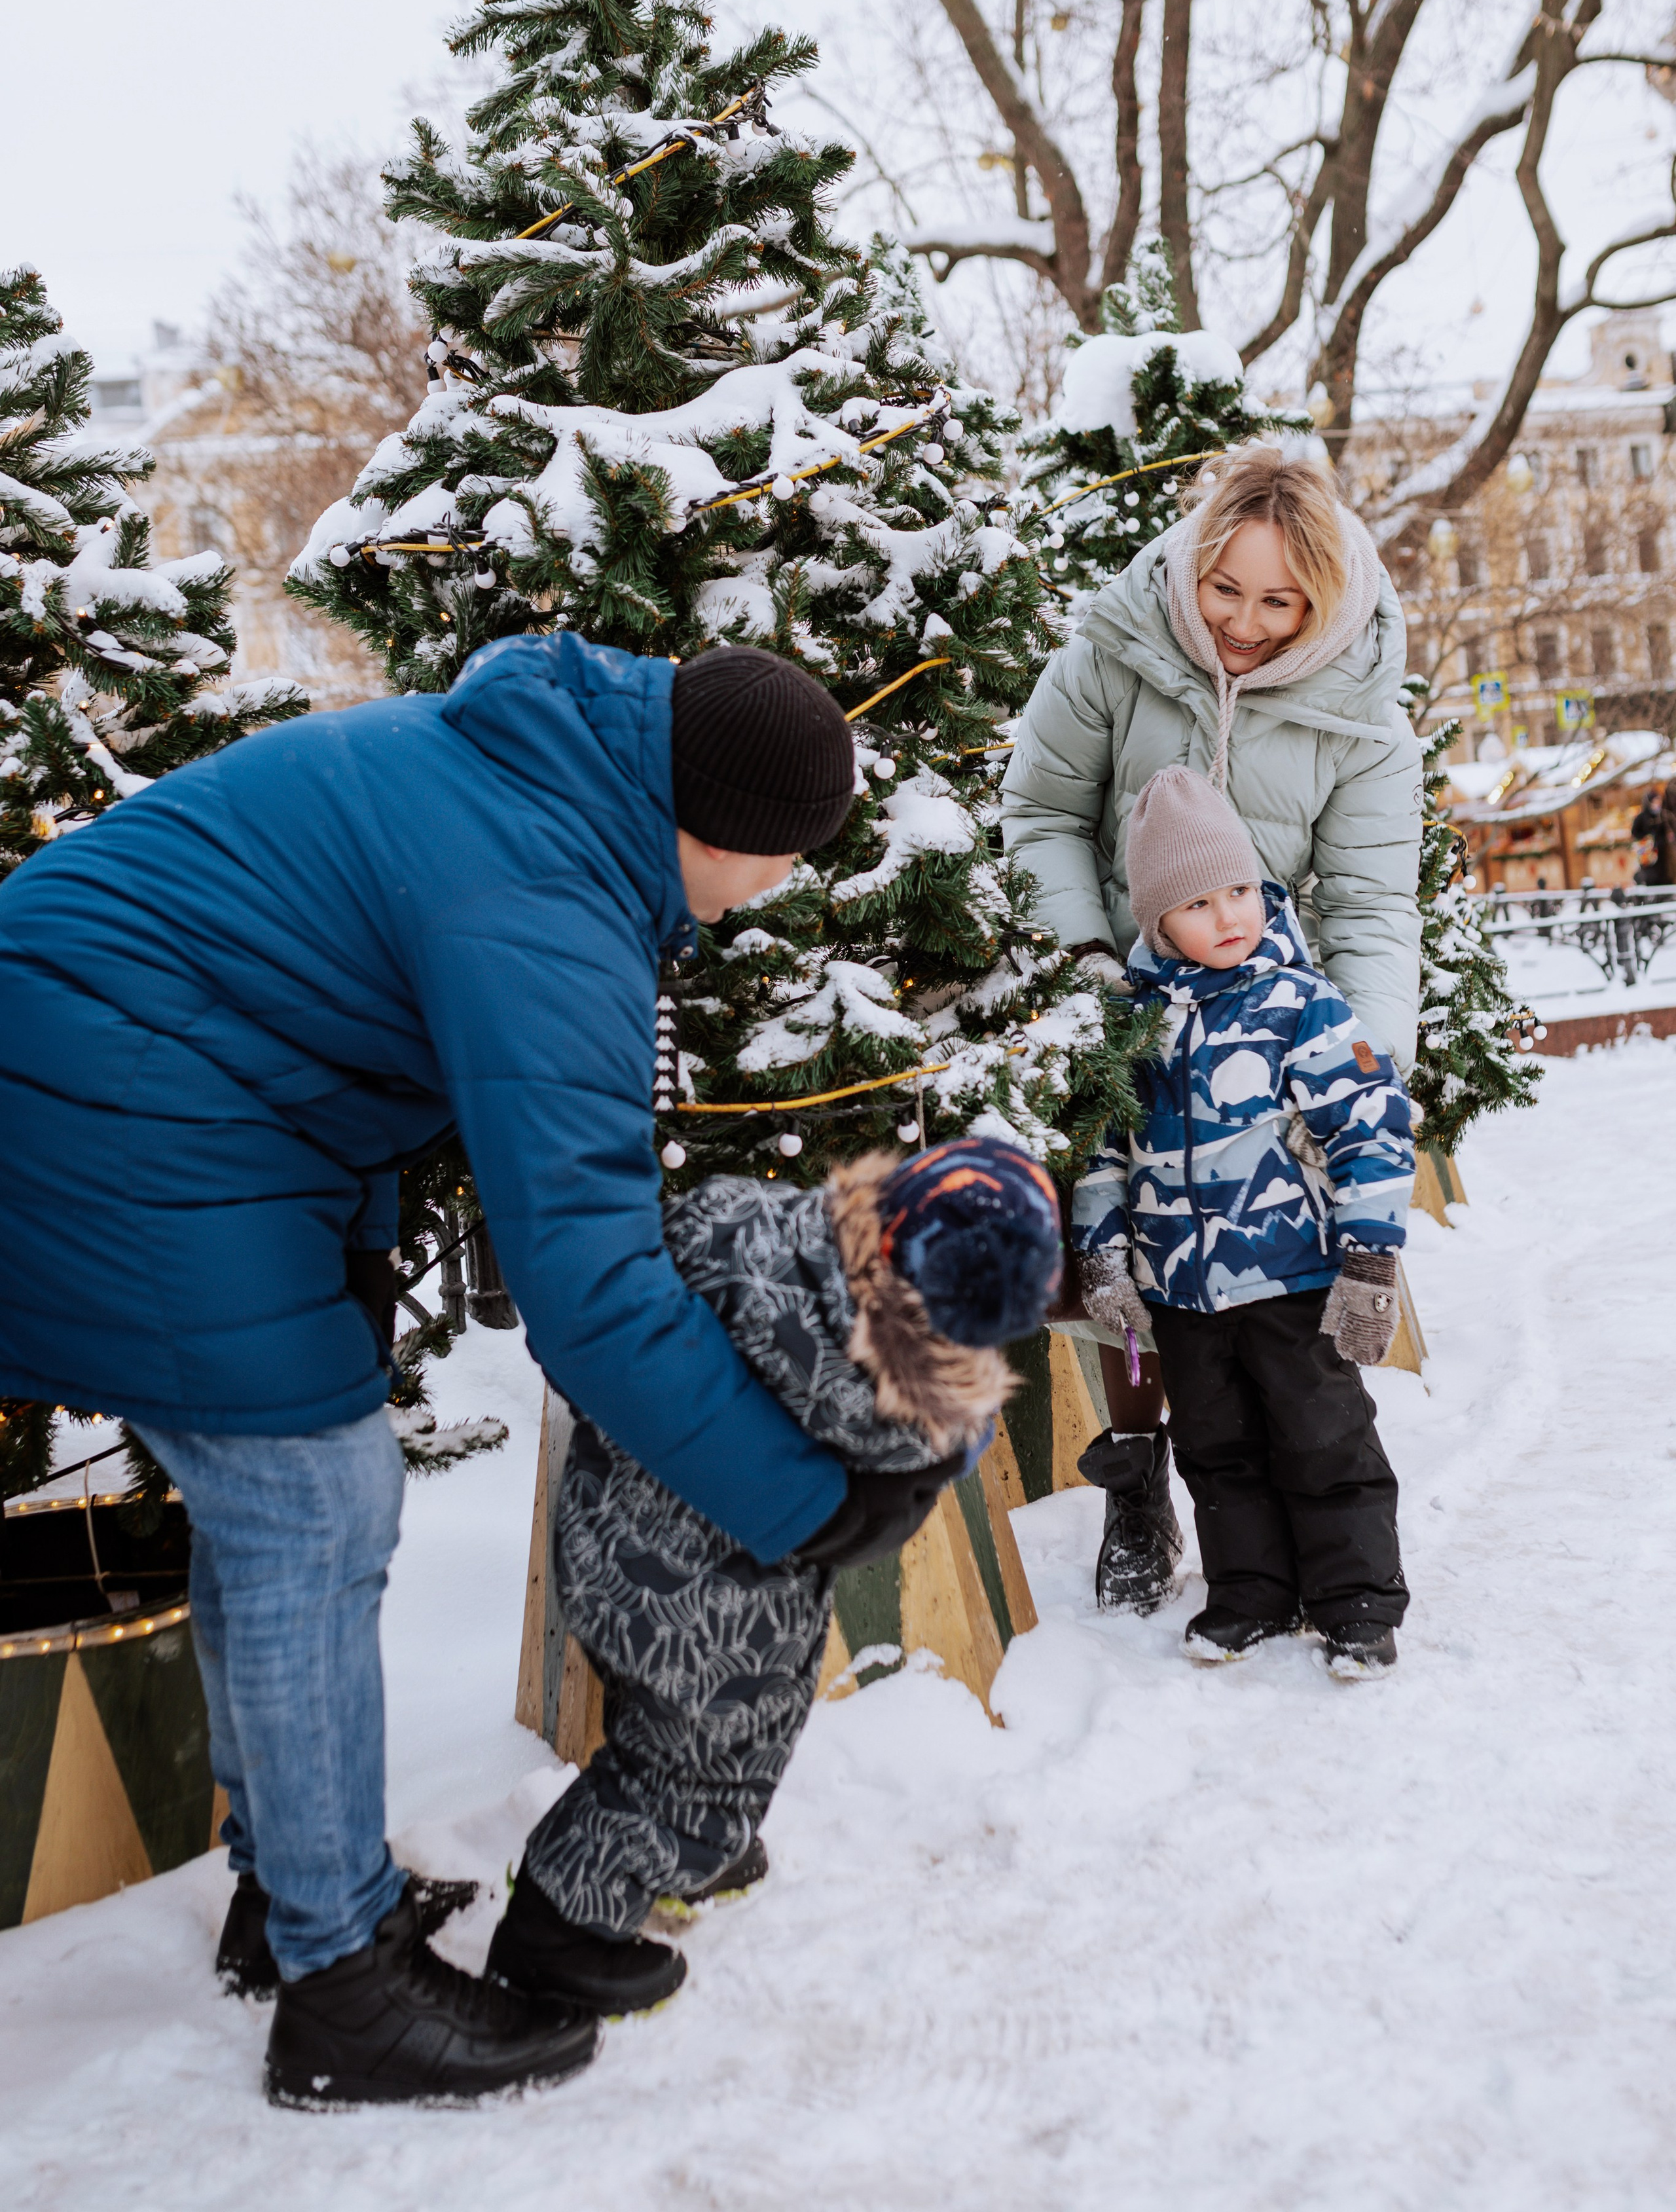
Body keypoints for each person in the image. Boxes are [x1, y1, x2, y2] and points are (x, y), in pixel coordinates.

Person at [0, 635, 949, 2111]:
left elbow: (310, 989)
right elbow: (590, 1289)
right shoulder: (546, 896)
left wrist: (354, 1252)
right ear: (725, 830)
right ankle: (340, 1989)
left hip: (149, 1065)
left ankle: (290, 1893)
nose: (775, 890)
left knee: (285, 1504)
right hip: (110, 1091)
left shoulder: (550, 778)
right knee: (313, 1507)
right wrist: (806, 1504)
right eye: (782, 858)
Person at [484, 1135, 1059, 2017]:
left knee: (656, 1730)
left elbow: (654, 1263)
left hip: (607, 1533)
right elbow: (899, 1496)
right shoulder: (887, 1403)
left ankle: (692, 1858)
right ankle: (558, 1932)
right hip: (720, 1617)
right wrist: (963, 1423)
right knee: (689, 1774)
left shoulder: (745, 1219)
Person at [1004, 445, 1421, 1616]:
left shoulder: (1364, 721)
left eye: (1279, 602)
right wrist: (1091, 966)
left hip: (1270, 1019)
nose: (1243, 623)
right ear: (1192, 564)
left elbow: (1372, 906)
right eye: (1224, 589)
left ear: (1324, 598)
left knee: (1275, 1287)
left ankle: (1326, 1544)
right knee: (1129, 1246)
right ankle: (1140, 1473)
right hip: (1124, 998)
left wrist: (1356, 1063)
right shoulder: (1114, 649)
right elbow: (1041, 809)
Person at [1065, 766, 1414, 1676]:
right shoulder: (1131, 1028)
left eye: (1239, 891)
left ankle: (1355, 1602)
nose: (1229, 915)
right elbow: (1102, 1153)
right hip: (1181, 1293)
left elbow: (1372, 1126)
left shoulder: (1303, 1004)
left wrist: (1370, 1262)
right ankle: (1251, 1595)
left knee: (1324, 1437)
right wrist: (1104, 1259)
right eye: (1197, 903)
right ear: (1157, 923)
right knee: (1218, 1451)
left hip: (1292, 1278)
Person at [1631, 779, 1676, 885]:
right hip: (1648, 852)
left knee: (1665, 874)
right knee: (1652, 876)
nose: (1658, 804)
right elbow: (1635, 832)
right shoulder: (1642, 817)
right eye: (1656, 802)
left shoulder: (1664, 815)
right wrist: (1647, 838)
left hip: (1663, 851)